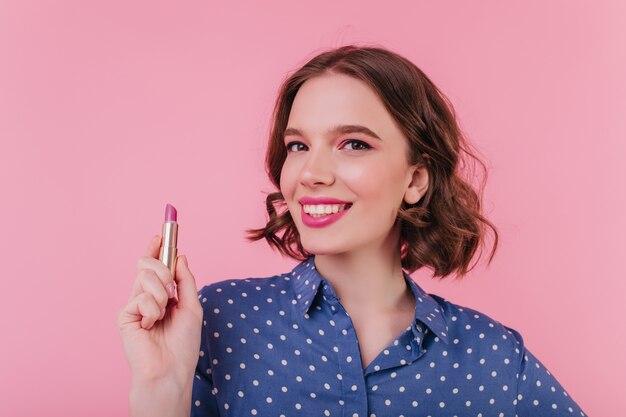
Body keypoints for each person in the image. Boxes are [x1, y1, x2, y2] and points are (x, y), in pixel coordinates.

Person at [117, 45, 587, 416]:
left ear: (415, 179)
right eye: (298, 145)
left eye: (353, 143)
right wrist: (161, 390)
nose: (311, 172)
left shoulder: (495, 359)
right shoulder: (216, 323)